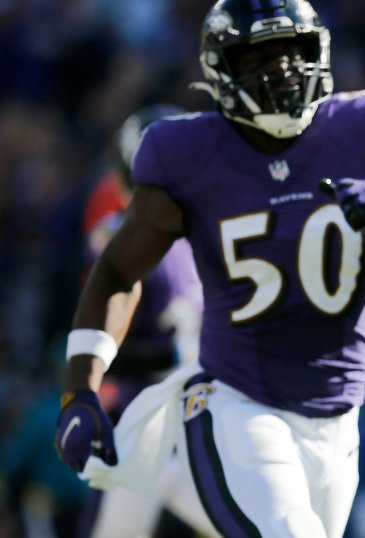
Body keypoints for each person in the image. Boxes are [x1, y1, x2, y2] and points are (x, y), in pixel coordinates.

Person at [54, 0, 365, 536]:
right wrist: (79, 388)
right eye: (260, 56)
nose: (282, 68)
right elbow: (118, 271)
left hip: (340, 417)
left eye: (293, 50)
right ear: (221, 68)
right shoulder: (187, 152)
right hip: (236, 402)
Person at [76, 104, 215, 538]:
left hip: (193, 429)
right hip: (156, 431)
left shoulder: (209, 237)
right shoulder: (130, 239)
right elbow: (101, 351)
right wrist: (180, 356)